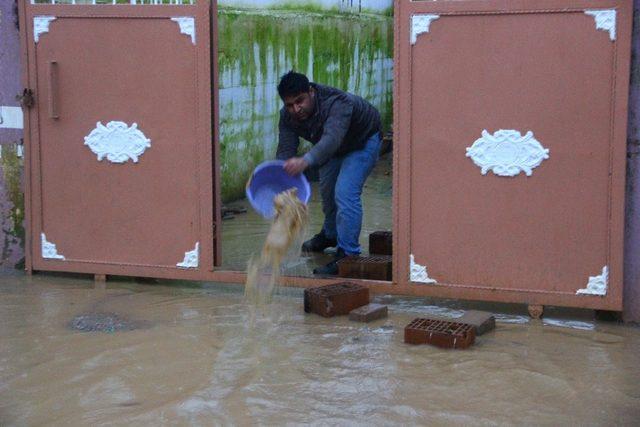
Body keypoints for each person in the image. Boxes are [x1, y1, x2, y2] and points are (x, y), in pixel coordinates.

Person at [275, 71, 382, 275]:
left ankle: (348, 255)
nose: (296, 109)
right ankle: (331, 234)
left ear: (311, 92)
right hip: (332, 148)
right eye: (289, 105)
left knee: (345, 191)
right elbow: (286, 148)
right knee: (327, 191)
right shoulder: (287, 116)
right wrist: (282, 179)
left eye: (300, 101)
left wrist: (306, 160)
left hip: (363, 140)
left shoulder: (337, 103)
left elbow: (332, 138)